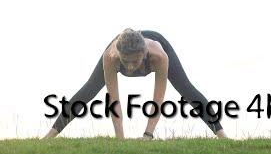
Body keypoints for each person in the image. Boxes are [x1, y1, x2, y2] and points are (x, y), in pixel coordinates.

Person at [43, 28, 228, 139]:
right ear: (119, 55)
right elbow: (114, 102)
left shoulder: (159, 57)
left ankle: (222, 136)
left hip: (155, 43)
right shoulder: (111, 57)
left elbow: (157, 101)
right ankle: (49, 136)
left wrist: (148, 135)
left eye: (135, 61)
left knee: (186, 88)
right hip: (124, 42)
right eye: (126, 61)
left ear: (143, 54)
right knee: (89, 89)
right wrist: (120, 140)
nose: (130, 67)